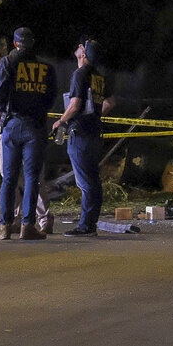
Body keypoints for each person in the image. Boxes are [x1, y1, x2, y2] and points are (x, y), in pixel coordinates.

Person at [0, 27, 57, 240]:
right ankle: (27, 226)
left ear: (15, 43)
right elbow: (50, 98)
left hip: (11, 125)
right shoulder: (46, 67)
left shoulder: (8, 63)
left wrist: (2, 108)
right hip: (35, 127)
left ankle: (4, 226)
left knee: (8, 179)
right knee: (32, 179)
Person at [52, 39, 115, 237]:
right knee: (93, 180)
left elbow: (75, 104)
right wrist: (95, 115)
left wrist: (60, 121)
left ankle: (86, 226)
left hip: (79, 134)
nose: (78, 46)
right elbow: (111, 102)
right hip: (94, 133)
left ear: (84, 54)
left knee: (85, 183)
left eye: (82, 46)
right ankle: (90, 223)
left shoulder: (79, 74)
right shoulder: (98, 76)